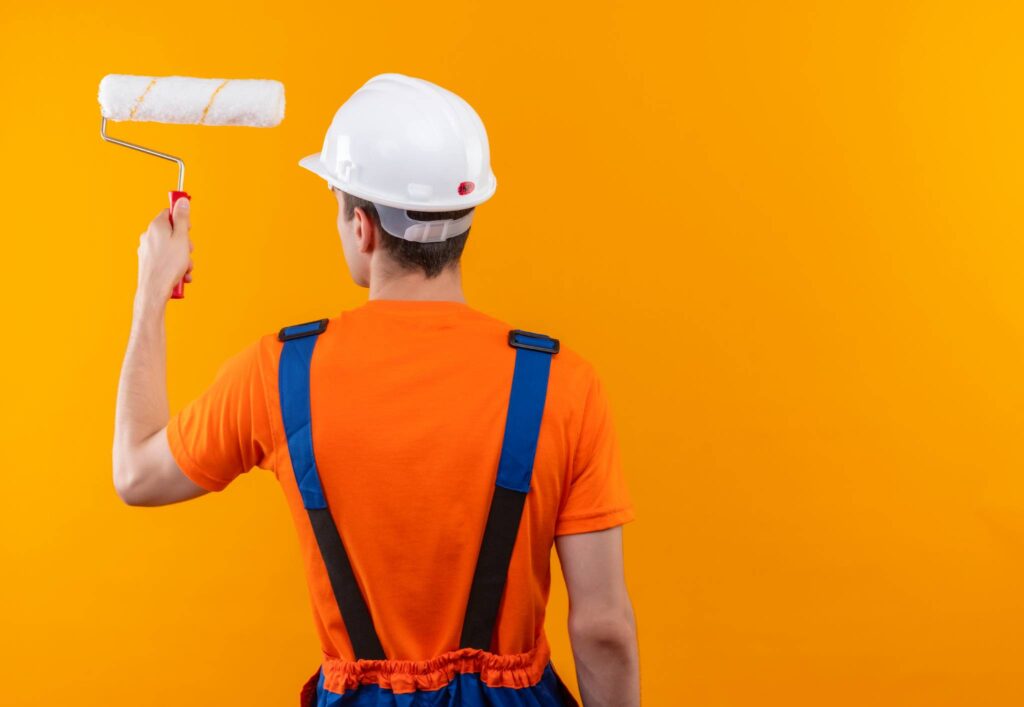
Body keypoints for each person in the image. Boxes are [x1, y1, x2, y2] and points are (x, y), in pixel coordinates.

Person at [112, 73, 640, 707]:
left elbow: (136, 475)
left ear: (361, 225)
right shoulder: (562, 382)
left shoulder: (279, 372)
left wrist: (150, 294)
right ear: (465, 219)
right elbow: (604, 628)